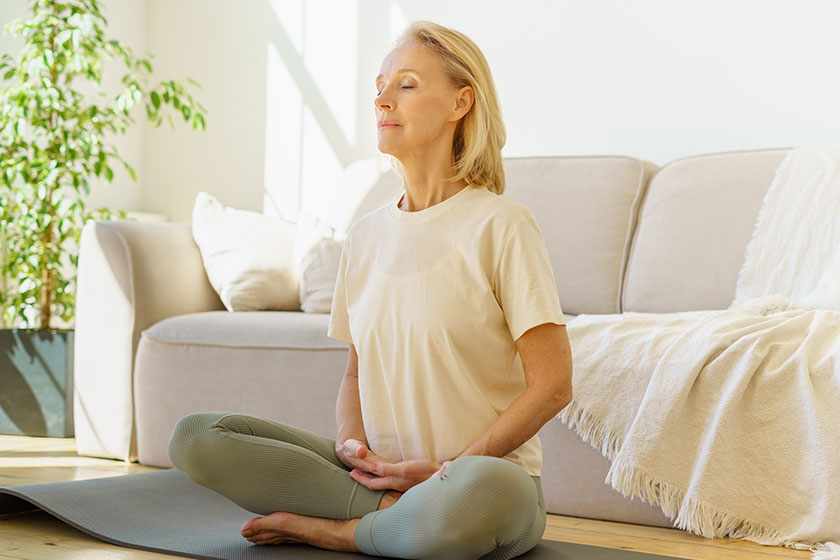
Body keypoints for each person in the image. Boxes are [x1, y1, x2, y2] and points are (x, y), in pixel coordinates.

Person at [168, 20, 573, 559]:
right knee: (196, 438)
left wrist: (448, 470)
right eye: (379, 86)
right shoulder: (364, 236)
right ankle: (399, 520)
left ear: (461, 102)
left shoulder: (502, 224)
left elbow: (553, 385)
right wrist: (351, 445)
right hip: (377, 479)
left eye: (405, 84)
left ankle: (336, 531)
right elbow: (357, 369)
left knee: (480, 493)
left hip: (482, 484)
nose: (382, 99)